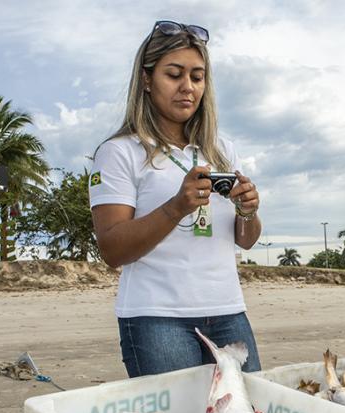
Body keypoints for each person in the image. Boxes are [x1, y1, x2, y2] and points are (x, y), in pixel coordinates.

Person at [89, 21, 263, 377]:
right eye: (174, 74)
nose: (188, 87)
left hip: (229, 311)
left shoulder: (221, 149)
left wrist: (247, 209)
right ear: (147, 79)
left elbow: (245, 240)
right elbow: (112, 249)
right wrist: (176, 206)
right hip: (157, 319)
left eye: (197, 77)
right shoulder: (119, 152)